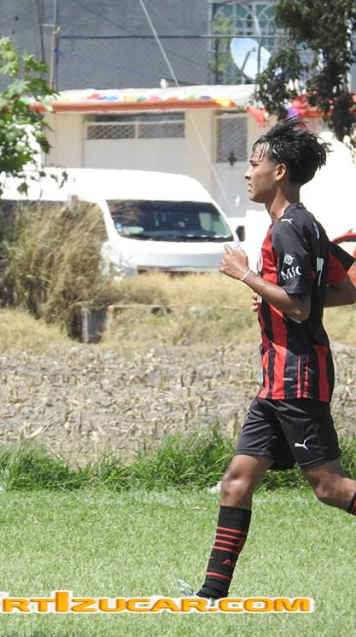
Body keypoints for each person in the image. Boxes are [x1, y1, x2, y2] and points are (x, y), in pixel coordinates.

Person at [191, 118, 356, 601]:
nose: (247, 173)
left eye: (254, 164)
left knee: (330, 489)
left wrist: (247, 276)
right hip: (277, 381)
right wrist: (272, 297)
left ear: (279, 171)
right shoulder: (306, 224)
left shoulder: (286, 230)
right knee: (235, 482)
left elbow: (301, 306)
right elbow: (344, 288)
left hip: (297, 378)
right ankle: (211, 595)